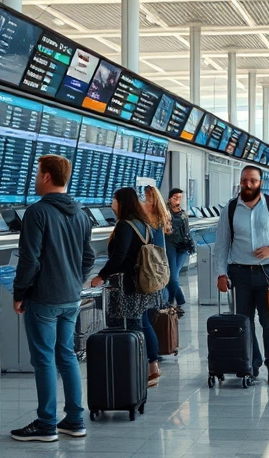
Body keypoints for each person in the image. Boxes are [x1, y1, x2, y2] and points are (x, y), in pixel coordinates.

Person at [11, 155, 96, 442]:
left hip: (44, 298)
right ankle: (74, 420)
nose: (36, 178)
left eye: (37, 173)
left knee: (44, 359)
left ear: (47, 176)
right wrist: (74, 279)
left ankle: (46, 423)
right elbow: (89, 258)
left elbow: (29, 259)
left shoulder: (37, 213)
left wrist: (19, 292)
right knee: (67, 356)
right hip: (71, 298)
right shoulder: (81, 213)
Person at [213, 166, 269, 385]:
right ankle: (252, 363)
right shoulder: (230, 209)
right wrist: (221, 273)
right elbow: (221, 245)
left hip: (267, 272)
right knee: (244, 322)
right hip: (239, 273)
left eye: (252, 181)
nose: (248, 185)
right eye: (244, 181)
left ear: (261, 182)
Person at [90, 187, 168, 388]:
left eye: (114, 200)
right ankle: (150, 367)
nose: (111, 204)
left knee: (131, 326)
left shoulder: (125, 225)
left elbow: (119, 256)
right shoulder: (144, 225)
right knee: (141, 324)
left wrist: (101, 275)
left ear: (123, 202)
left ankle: (134, 370)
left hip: (127, 286)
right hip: (142, 284)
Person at [163, 187, 193, 316]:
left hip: (183, 247)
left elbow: (187, 231)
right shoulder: (165, 212)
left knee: (174, 276)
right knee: (172, 276)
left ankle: (174, 302)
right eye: (175, 197)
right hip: (170, 245)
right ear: (169, 198)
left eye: (180, 198)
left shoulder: (183, 213)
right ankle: (175, 301)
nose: (178, 200)